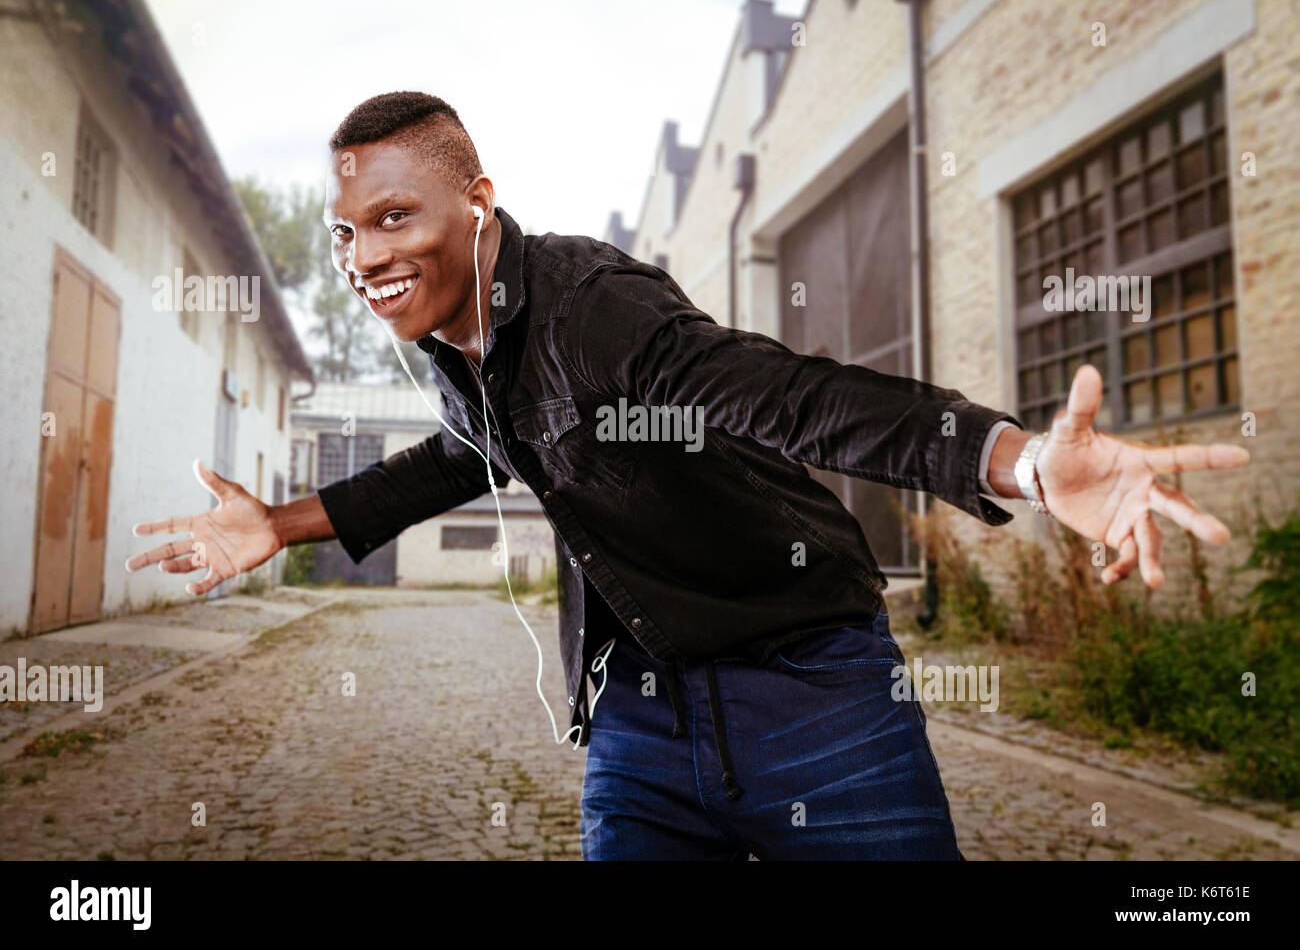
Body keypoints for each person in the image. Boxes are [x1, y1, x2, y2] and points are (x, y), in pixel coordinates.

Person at [126, 92, 1250, 860]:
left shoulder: (591, 303)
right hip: (639, 721)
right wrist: (279, 522)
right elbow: (464, 456)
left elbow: (784, 392)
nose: (362, 256)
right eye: (342, 233)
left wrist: (1015, 462)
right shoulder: (455, 343)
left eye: (390, 219)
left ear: (475, 201)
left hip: (814, 690)